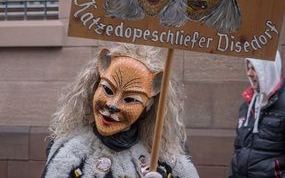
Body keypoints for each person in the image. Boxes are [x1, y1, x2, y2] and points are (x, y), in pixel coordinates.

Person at [41, 44, 199, 178]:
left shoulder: (164, 158)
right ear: (95, 88)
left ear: (147, 107)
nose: (112, 105)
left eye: (130, 99)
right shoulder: (69, 154)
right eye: (108, 90)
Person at [229, 51, 285, 178]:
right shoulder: (246, 106)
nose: (249, 73)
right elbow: (238, 151)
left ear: (267, 69)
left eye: (254, 68)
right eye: (248, 68)